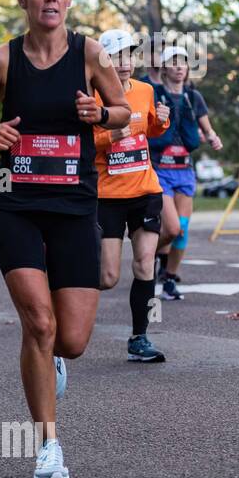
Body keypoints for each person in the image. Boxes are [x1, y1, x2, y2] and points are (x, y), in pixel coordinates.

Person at [0, 0, 129, 478]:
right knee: (40, 323)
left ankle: (50, 360)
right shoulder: (1, 61)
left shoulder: (91, 54)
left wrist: (102, 114)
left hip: (74, 207)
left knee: (70, 340)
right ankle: (48, 447)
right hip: (15, 207)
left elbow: (122, 113)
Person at [94, 30, 171, 363]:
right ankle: (61, 292)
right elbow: (82, 143)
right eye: (117, 56)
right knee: (107, 277)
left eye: (129, 55)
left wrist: (161, 124)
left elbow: (149, 130)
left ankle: (139, 338)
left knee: (144, 263)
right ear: (104, 60)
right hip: (107, 195)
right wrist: (111, 136)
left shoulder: (145, 90)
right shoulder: (91, 96)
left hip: (145, 190)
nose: (124, 62)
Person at [151, 47, 220, 300]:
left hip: (185, 169)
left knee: (182, 229)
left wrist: (213, 137)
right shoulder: (155, 94)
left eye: (183, 63)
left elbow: (207, 127)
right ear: (165, 68)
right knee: (170, 228)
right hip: (160, 170)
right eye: (173, 62)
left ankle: (168, 279)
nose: (179, 67)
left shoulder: (193, 96)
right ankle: (146, 257)